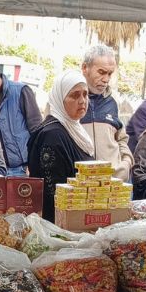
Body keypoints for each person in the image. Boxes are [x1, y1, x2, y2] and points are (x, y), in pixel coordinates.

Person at [27, 70, 94, 220]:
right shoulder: (53, 135)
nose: (82, 100)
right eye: (75, 95)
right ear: (59, 99)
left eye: (85, 94)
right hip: (60, 224)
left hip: (79, 219)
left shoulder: (75, 129)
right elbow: (54, 193)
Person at [80, 45, 134, 180]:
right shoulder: (67, 99)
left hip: (112, 185)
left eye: (110, 73)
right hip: (80, 187)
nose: (106, 79)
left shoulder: (114, 101)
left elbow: (121, 138)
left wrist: (126, 162)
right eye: (101, 72)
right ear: (85, 68)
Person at [0, 66, 43, 175]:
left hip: (23, 168)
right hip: (0, 169)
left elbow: (37, 129)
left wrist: (34, 163)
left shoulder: (21, 90)